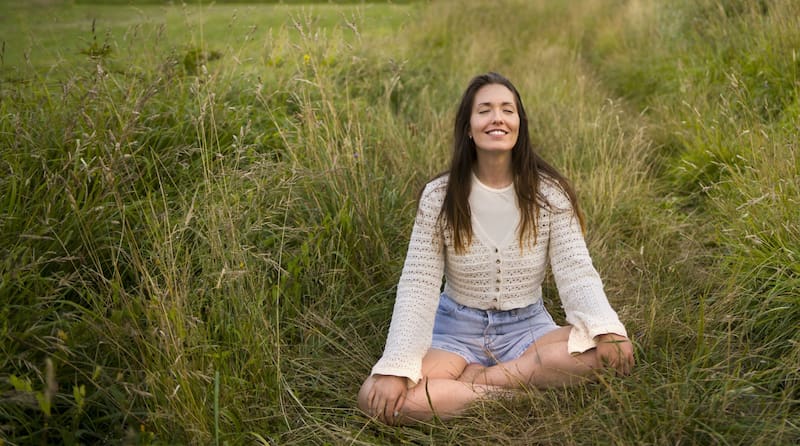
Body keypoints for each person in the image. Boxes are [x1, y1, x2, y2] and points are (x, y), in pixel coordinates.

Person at [357, 72, 634, 425]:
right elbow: (418, 286)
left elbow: (576, 271)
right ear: (469, 128)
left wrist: (605, 328)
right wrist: (397, 365)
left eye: (507, 109)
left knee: (611, 353)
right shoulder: (439, 196)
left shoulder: (549, 194)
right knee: (376, 399)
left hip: (528, 329)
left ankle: (481, 382)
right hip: (456, 330)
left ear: (519, 124)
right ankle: (510, 396)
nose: (497, 118)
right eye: (484, 110)